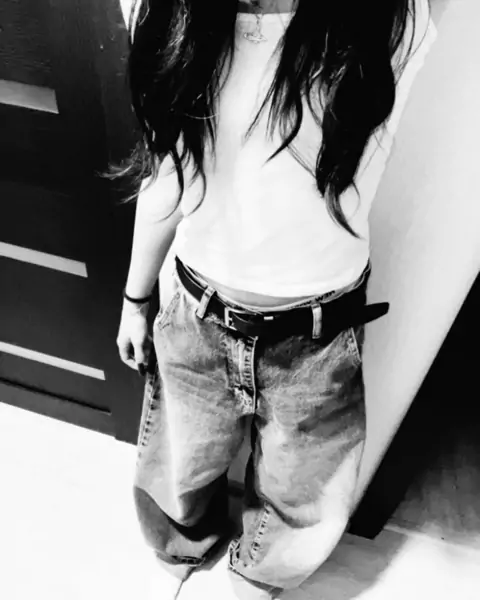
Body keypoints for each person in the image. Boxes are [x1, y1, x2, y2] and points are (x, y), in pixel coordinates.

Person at [107, 0, 436, 598]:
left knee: (304, 501)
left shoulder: (389, 21)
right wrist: (135, 299)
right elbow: (167, 174)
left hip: (318, 340)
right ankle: (181, 551)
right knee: (179, 466)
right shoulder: (165, 11)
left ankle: (256, 580)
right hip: (195, 316)